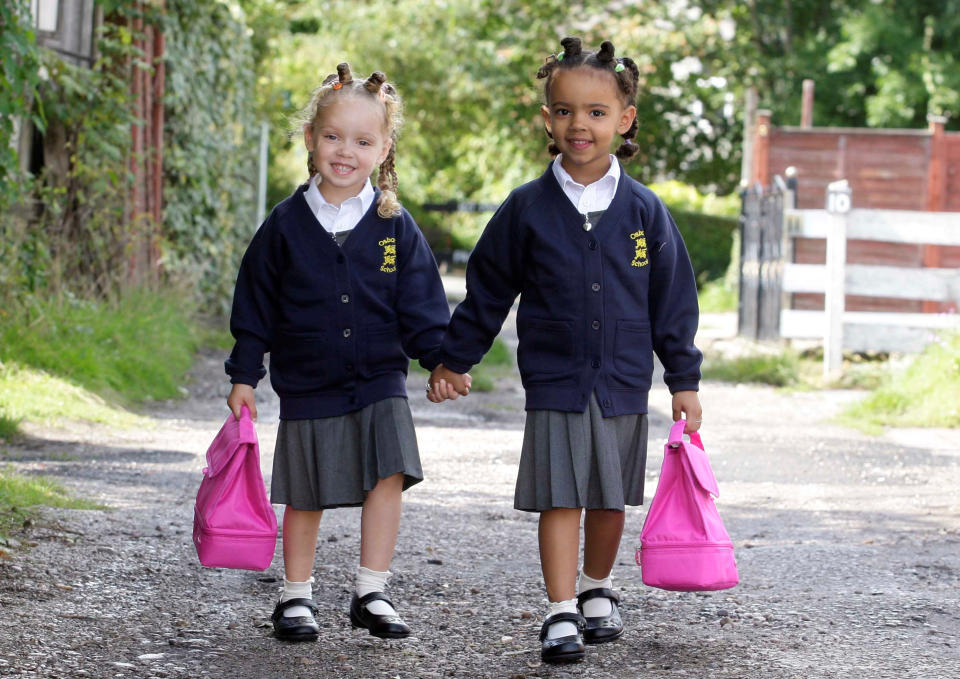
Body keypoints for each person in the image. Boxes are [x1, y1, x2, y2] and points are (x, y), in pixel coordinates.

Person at [427, 37, 703, 664]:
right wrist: (456, 358)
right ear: (547, 118)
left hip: (625, 381)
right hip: (554, 379)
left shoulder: (645, 212)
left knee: (608, 497)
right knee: (561, 495)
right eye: (565, 110)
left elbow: (674, 300)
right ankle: (558, 611)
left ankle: (597, 589)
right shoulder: (526, 210)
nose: (580, 124)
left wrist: (682, 377)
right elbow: (487, 291)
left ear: (624, 120)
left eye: (597, 112)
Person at [225, 63, 454, 642]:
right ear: (310, 139)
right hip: (308, 379)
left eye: (362, 140)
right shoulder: (284, 226)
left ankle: (371, 589)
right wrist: (245, 374)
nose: (345, 151)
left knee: (389, 475)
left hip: (378, 377)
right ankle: (295, 595)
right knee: (306, 490)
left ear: (383, 149)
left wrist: (440, 360)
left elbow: (422, 303)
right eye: (332, 137)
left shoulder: (393, 225)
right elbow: (255, 305)